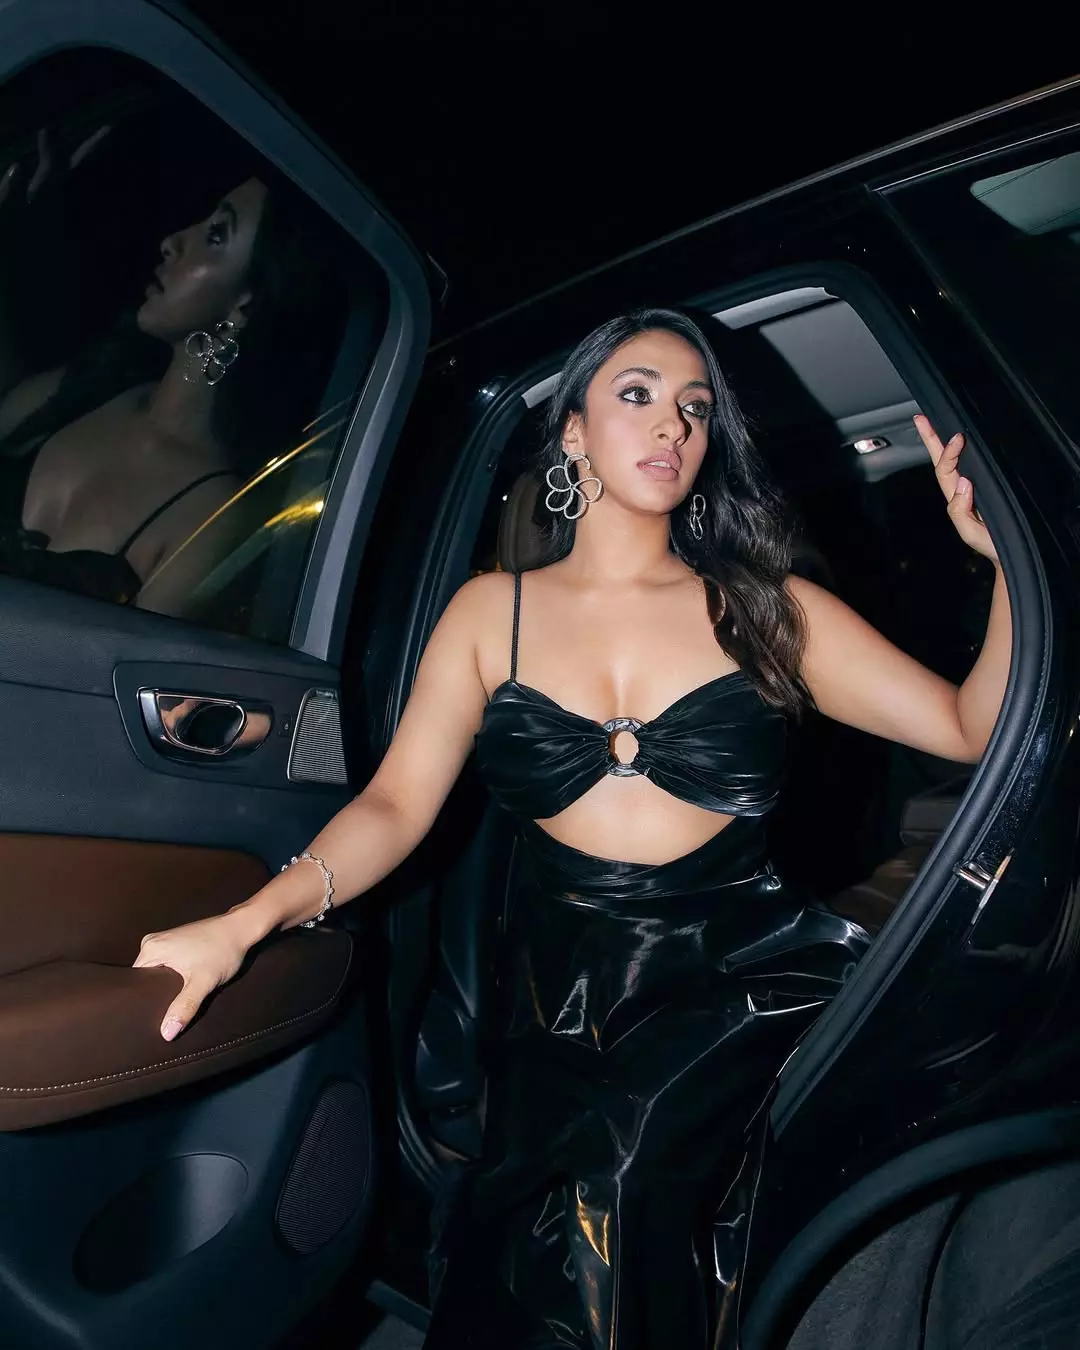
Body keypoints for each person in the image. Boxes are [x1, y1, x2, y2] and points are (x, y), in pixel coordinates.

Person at [132, 309, 1011, 1348]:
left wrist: (1004, 564)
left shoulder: (768, 607)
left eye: (695, 408)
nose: (673, 425)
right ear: (574, 432)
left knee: (626, 1193)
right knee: (525, 1258)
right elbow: (393, 807)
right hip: (555, 998)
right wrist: (248, 920)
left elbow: (969, 727)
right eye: (638, 394)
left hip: (729, 990)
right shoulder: (489, 613)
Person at [0, 129, 344, 608]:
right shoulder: (89, 384)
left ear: (247, 304)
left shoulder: (211, 513)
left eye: (216, 235)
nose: (172, 242)